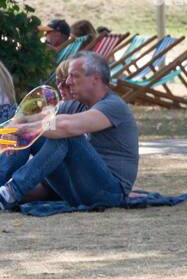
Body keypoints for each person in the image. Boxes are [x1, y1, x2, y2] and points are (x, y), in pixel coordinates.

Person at [0, 52, 139, 209]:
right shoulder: (76, 105)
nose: (68, 82)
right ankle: (3, 188)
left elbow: (66, 126)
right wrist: (14, 127)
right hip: (79, 186)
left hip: (109, 193)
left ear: (95, 78)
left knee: (67, 136)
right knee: (39, 134)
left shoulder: (114, 106)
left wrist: (23, 129)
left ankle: (11, 191)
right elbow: (35, 117)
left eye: (74, 76)